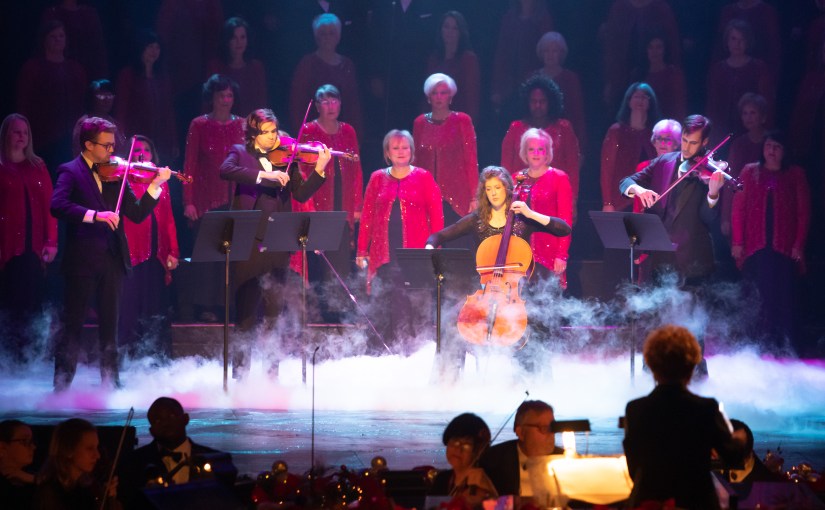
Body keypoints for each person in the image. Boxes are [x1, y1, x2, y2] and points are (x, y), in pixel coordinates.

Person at [50, 117, 171, 391]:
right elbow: (58, 206)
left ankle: (110, 383)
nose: (111, 151)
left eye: (113, 145)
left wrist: (156, 185)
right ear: (89, 144)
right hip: (81, 259)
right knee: (73, 326)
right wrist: (95, 215)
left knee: (110, 327)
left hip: (113, 259)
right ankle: (61, 386)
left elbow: (137, 212)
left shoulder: (116, 173)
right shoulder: (69, 171)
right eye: (105, 145)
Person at [219, 109, 330, 379]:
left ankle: (271, 375)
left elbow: (301, 193)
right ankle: (241, 376)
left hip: (278, 240)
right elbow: (226, 170)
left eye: (274, 131)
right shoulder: (240, 152)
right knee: (245, 313)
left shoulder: (286, 158)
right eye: (265, 132)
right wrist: (264, 176)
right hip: (249, 241)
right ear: (254, 133)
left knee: (274, 313)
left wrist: (319, 170)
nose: (272, 137)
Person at [619, 115, 727, 374]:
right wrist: (639, 191)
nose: (687, 148)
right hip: (661, 254)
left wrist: (713, 193)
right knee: (657, 316)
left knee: (693, 322)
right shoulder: (664, 161)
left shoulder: (708, 170)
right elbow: (625, 181)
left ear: (705, 143)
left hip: (693, 256)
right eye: (685, 141)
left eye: (693, 143)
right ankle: (654, 367)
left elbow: (707, 217)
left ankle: (695, 373)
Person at [623, 324, 744, 509]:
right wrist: (739, 437)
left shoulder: (635, 409)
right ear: (691, 367)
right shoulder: (706, 408)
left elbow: (634, 469)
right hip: (696, 503)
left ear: (652, 366)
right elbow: (733, 457)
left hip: (649, 502)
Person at [356, 129, 443, 352]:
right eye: (395, 148)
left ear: (411, 150)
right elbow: (367, 216)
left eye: (405, 147)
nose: (401, 152)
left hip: (416, 253)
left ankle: (419, 350)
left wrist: (436, 248)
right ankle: (394, 350)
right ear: (388, 152)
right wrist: (361, 250)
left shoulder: (423, 177)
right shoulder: (377, 178)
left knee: (417, 301)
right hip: (385, 253)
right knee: (393, 303)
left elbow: (436, 215)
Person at [731, 131, 810, 351]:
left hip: (784, 247)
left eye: (777, 146)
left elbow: (803, 212)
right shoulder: (749, 172)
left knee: (784, 298)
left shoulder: (795, 174)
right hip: (756, 245)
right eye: (768, 146)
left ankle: (783, 346)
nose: (771, 151)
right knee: (757, 296)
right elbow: (739, 209)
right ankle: (756, 346)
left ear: (784, 151)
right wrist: (737, 242)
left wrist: (798, 244)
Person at [180, 74, 245, 322]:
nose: (226, 100)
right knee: (208, 256)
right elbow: (190, 166)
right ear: (212, 98)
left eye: (229, 95)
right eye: (221, 95)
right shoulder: (199, 125)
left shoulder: (241, 125)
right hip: (206, 198)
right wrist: (188, 201)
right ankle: (205, 306)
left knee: (232, 253)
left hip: (235, 197)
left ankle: (227, 305)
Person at [296, 84, 364, 322]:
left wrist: (357, 205)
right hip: (316, 202)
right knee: (317, 259)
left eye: (334, 101)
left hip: (342, 203)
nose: (330, 106)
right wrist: (308, 206)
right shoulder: (308, 130)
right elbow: (302, 171)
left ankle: (338, 310)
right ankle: (317, 311)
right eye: (325, 102)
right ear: (316, 105)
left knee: (340, 258)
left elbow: (356, 169)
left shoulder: (348, 131)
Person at [0, 114, 58, 362]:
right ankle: (9, 359)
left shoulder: (37, 166)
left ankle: (29, 359)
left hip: (33, 248)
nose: (22, 136)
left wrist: (51, 241)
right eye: (16, 131)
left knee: (32, 304)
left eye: (25, 132)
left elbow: (50, 207)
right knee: (8, 305)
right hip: (6, 247)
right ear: (6, 135)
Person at [119, 135, 180, 358]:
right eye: (136, 150)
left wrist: (173, 250)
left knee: (155, 308)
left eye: (146, 149)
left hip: (156, 251)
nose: (141, 154)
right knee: (130, 307)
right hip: (131, 251)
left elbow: (168, 218)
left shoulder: (160, 179)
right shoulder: (123, 179)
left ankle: (155, 356)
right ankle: (128, 356)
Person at [118, 397, 236, 507]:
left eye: (172, 416)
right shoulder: (132, 463)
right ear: (151, 430)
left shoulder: (217, 459)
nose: (166, 423)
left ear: (186, 419)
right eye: (158, 420)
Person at [500, 75, 580, 209]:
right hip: (522, 198)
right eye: (533, 101)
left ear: (551, 102)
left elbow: (572, 167)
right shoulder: (516, 128)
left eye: (542, 101)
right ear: (527, 102)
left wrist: (573, 200)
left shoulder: (564, 128)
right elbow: (506, 165)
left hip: (556, 197)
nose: (538, 105)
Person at [16, 19, 86, 170]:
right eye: (53, 36)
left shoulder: (75, 68)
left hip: (70, 137)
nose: (58, 40)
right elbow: (23, 103)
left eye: (61, 36)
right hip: (43, 137)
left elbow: (81, 102)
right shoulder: (33, 68)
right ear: (44, 39)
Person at [413, 73, 479, 233]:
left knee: (457, 244)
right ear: (428, 97)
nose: (439, 97)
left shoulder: (462, 120)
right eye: (434, 93)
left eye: (443, 93)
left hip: (457, 195)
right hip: (426, 194)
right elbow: (414, 162)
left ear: (450, 97)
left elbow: (471, 159)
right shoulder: (420, 122)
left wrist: (475, 196)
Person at [290, 13, 362, 137]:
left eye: (331, 33)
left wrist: (356, 136)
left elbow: (353, 105)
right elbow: (297, 104)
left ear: (338, 36)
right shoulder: (307, 63)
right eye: (323, 34)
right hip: (313, 134)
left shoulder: (347, 65)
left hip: (342, 134)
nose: (327, 37)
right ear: (317, 37)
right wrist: (301, 134)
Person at [705, 19, 774, 144]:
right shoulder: (718, 69)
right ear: (727, 41)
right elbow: (712, 104)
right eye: (733, 39)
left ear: (748, 42)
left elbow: (765, 102)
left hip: (750, 129)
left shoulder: (758, 67)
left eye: (742, 39)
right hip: (722, 131)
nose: (737, 44)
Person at [114, 30, 178, 163]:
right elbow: (122, 109)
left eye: (157, 47)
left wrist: (173, 141)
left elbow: (168, 111)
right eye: (150, 47)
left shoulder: (162, 77)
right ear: (141, 48)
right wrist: (122, 139)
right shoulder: (128, 75)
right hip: (137, 136)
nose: (154, 51)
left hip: (160, 137)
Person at [479, 400, 563, 497]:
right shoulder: (492, 460)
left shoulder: (566, 460)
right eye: (544, 428)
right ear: (521, 432)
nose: (551, 433)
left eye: (553, 427)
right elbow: (488, 503)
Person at [32, 418, 120, 510]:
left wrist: (110, 498)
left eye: (96, 447)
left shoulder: (87, 488)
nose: (97, 455)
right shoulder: (49, 494)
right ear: (68, 450)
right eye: (90, 448)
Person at [601, 82, 660, 213]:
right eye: (637, 96)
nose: (640, 100)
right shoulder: (616, 131)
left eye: (645, 97)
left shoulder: (654, 133)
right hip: (620, 199)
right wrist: (607, 202)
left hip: (647, 201)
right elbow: (607, 168)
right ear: (629, 101)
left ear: (650, 103)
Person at [490, 0, 554, 115]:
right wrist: (497, 88)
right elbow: (501, 55)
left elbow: (548, 52)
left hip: (533, 86)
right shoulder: (509, 18)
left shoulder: (543, 19)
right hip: (508, 87)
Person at [721, 93, 769, 238]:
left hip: (767, 205)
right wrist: (725, 217)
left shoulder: (771, 142)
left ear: (763, 116)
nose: (748, 117)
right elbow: (731, 179)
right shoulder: (738, 144)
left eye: (753, 113)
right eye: (745, 113)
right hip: (744, 206)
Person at [429, 413, 498, 508]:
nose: (458, 449)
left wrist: (491, 492)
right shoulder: (441, 479)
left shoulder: (490, 479)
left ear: (478, 450)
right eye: (454, 441)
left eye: (466, 444)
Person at [533, 31, 587, 150]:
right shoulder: (534, 77)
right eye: (546, 51)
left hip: (562, 139)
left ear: (561, 54)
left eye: (554, 51)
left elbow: (577, 113)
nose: (550, 55)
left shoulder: (570, 78)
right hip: (536, 139)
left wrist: (580, 147)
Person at [207, 17, 267, 118]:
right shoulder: (215, 68)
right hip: (222, 125)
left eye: (242, 37)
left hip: (250, 127)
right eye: (234, 38)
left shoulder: (256, 68)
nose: (239, 42)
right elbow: (208, 103)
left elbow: (262, 105)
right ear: (227, 41)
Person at [426, 11, 480, 121]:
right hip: (434, 122)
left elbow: (472, 98)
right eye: (446, 27)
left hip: (458, 123)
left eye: (454, 28)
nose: (449, 31)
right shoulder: (434, 59)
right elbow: (427, 94)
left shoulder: (468, 59)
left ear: (461, 32)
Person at [632, 31, 687, 121]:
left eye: (659, 47)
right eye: (650, 47)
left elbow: (679, 108)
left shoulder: (673, 74)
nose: (655, 52)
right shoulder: (638, 74)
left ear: (665, 49)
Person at [72, 80, 127, 155]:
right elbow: (79, 152)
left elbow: (121, 151)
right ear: (91, 98)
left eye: (110, 95)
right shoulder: (84, 123)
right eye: (101, 95)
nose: (106, 99)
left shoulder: (115, 123)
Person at [0, 420, 36, 510]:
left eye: (32, 441)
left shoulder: (31, 477)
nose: (34, 447)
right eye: (25, 441)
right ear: (2, 448)